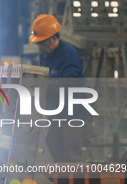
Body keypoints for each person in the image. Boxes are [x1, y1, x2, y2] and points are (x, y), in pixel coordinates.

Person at [30, 14, 87, 162]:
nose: (39, 47)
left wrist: (43, 84)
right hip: (55, 114)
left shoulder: (68, 54)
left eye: (41, 43)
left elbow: (70, 84)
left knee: (71, 157)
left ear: (52, 39)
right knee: (53, 150)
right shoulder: (46, 55)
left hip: (72, 115)